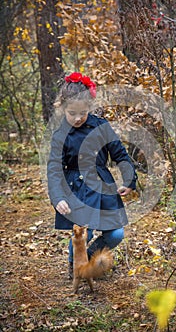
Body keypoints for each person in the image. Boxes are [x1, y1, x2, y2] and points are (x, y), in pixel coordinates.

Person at [47, 72, 137, 279]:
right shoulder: (60, 135)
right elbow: (54, 169)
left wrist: (130, 179)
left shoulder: (101, 126)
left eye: (83, 112)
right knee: (80, 235)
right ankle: (76, 270)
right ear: (63, 108)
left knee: (115, 234)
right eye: (72, 113)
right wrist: (58, 197)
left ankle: (86, 260)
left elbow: (120, 154)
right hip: (75, 190)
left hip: (102, 186)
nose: (78, 118)